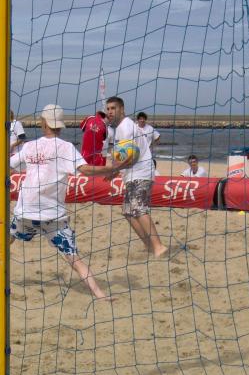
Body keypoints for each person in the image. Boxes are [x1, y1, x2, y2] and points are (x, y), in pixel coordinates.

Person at [9, 104, 124, 300]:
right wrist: (112, 169)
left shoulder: (30, 146)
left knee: (6, 240)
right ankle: (100, 295)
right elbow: (85, 170)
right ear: (60, 126)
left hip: (25, 211)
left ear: (43, 123)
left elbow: (8, 166)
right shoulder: (66, 147)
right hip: (52, 216)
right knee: (74, 258)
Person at [106, 96, 168, 258]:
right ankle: (149, 245)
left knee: (139, 209)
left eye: (113, 108)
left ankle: (158, 247)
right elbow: (123, 156)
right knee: (128, 211)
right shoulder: (119, 129)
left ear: (122, 109)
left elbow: (132, 156)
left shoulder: (126, 127)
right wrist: (116, 169)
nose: (110, 112)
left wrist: (114, 171)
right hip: (132, 173)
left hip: (141, 171)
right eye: (108, 109)